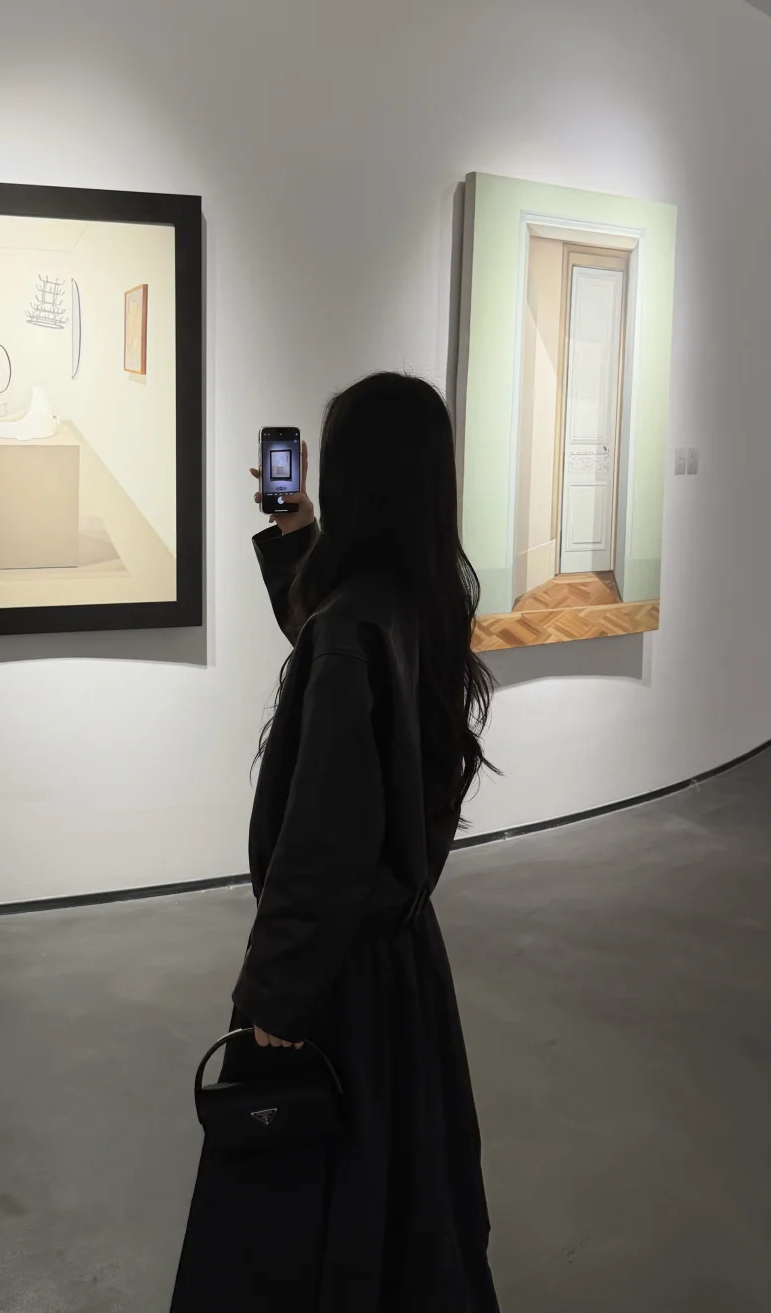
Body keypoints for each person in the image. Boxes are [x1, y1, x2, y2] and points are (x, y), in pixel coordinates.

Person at [170, 372, 501, 1313]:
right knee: (402, 1192)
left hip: (341, 980)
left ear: (356, 477)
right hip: (402, 964)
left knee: (300, 1217)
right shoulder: (425, 597)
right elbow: (324, 629)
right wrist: (297, 534)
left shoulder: (355, 628)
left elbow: (325, 837)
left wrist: (275, 994)